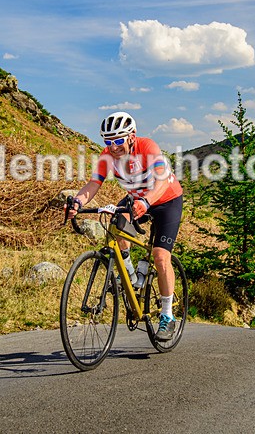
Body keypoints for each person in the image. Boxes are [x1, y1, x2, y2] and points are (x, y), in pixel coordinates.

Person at [66, 111, 183, 341]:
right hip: (136, 200)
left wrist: (147, 201)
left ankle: (168, 316)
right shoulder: (107, 155)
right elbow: (93, 183)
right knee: (117, 227)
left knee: (160, 257)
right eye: (108, 142)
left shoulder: (148, 147)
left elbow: (160, 181)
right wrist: (78, 201)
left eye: (118, 140)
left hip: (166, 200)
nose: (114, 147)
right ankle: (130, 275)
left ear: (131, 137)